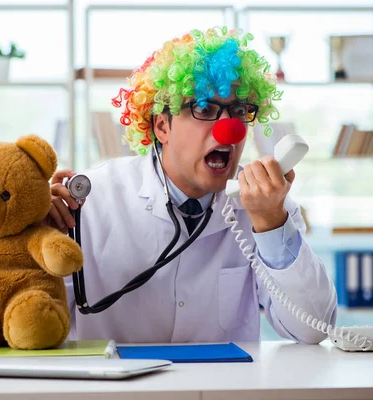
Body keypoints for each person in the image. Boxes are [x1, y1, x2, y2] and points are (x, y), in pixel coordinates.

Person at [46, 27, 337, 344]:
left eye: (239, 111)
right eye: (204, 108)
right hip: (119, 392)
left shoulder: (267, 205)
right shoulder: (92, 200)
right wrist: (28, 235)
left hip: (220, 391)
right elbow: (39, 319)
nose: (229, 130)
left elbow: (314, 329)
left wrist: (270, 225)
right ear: (161, 125)